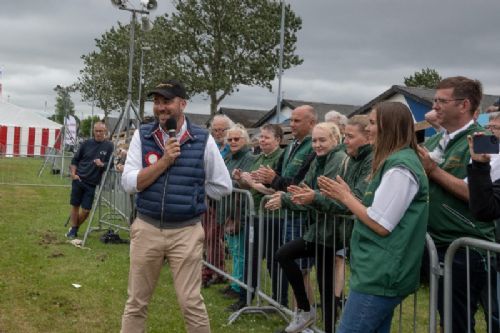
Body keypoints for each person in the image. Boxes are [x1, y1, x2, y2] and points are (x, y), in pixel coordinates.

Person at [120, 79, 232, 333]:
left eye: (167, 101)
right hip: (147, 227)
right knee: (136, 302)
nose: (161, 107)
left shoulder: (202, 139)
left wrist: (192, 193)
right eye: (157, 102)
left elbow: (222, 185)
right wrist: (164, 162)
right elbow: (128, 183)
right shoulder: (143, 134)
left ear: (183, 104)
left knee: (191, 302)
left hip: (186, 232)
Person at [320, 101, 429, 333]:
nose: (367, 128)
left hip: (382, 274)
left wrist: (346, 198)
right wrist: (348, 196)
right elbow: (379, 212)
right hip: (377, 271)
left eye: (371, 123)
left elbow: (381, 224)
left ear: (387, 126)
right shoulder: (394, 162)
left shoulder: (401, 167)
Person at [418, 76, 496, 333]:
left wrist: (433, 171)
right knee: (445, 316)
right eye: (435, 100)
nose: (435, 106)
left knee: (459, 321)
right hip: (436, 242)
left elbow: (482, 196)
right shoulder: (438, 139)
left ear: (464, 105)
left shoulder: (486, 140)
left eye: (441, 100)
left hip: (466, 247)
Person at [267, 122, 347, 333]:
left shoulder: (337, 159)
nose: (317, 144)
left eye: (322, 140)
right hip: (319, 231)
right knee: (285, 255)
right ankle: (306, 310)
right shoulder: (318, 160)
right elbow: (305, 193)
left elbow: (319, 195)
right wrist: (285, 198)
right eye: (315, 140)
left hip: (332, 232)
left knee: (326, 285)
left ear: (335, 140)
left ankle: (323, 322)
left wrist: (289, 199)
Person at [254, 105, 318, 311]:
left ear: (312, 123)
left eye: (297, 121)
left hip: (302, 216)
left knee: (302, 270)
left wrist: (275, 180)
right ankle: (297, 314)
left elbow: (297, 183)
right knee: (294, 270)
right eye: (291, 120)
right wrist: (265, 179)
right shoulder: (291, 146)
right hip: (289, 214)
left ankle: (304, 316)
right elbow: (279, 177)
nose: (292, 124)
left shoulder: (312, 147)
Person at [317, 114, 373, 319]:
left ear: (368, 136)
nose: (345, 141)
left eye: (349, 136)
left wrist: (315, 198)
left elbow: (354, 200)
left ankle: (333, 315)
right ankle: (329, 317)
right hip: (346, 232)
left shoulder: (369, 159)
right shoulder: (350, 159)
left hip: (361, 234)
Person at [229, 124, 284, 310]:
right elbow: (249, 186)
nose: (262, 140)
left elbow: (275, 189)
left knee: (273, 260)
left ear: (278, 140)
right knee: (250, 257)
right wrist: (240, 179)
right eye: (261, 137)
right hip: (254, 214)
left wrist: (252, 183)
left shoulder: (280, 158)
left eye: (267, 137)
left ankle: (279, 300)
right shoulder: (259, 157)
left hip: (273, 216)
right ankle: (245, 297)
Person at [220, 123, 255, 310]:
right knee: (234, 250)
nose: (233, 142)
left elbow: (245, 183)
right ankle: (234, 282)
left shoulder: (249, 158)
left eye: (237, 139)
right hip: (227, 209)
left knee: (240, 252)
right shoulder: (227, 157)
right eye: (230, 139)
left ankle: (238, 286)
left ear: (245, 140)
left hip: (239, 211)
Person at [202, 114, 235, 288]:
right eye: (215, 129)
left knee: (213, 237)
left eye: (222, 130)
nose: (218, 133)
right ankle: (215, 270)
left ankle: (214, 271)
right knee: (210, 238)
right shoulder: (211, 146)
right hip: (209, 199)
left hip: (224, 201)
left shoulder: (231, 148)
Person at [65, 122, 114, 239]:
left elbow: (111, 163)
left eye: (101, 131)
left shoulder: (109, 146)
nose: (98, 133)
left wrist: (102, 164)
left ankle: (74, 228)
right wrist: (73, 174)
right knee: (75, 205)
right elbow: (75, 160)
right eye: (96, 131)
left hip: (92, 183)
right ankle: (73, 231)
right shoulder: (86, 143)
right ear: (93, 131)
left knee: (86, 210)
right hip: (79, 179)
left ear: (105, 132)